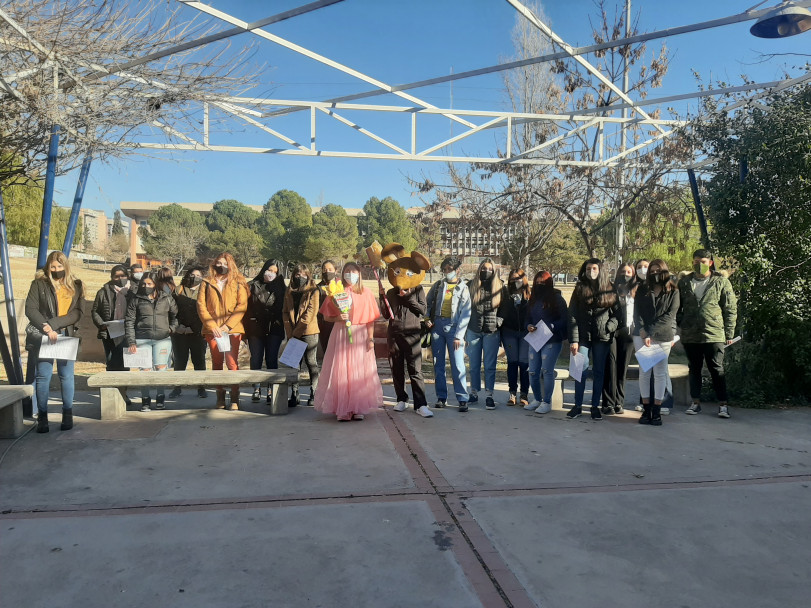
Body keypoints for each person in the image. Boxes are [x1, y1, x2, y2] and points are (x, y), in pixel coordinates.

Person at [314, 261, 383, 421]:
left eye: (353, 271)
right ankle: (342, 408)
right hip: (341, 334)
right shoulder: (337, 292)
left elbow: (370, 320)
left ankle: (357, 407)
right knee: (341, 370)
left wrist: (370, 338)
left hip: (360, 335)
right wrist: (338, 317)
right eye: (347, 271)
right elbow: (325, 316)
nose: (350, 274)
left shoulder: (365, 293)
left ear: (359, 274)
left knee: (358, 371)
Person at [25, 251, 84, 433]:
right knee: (43, 376)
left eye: (59, 266)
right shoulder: (39, 284)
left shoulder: (76, 285)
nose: (56, 269)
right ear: (48, 267)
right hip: (44, 336)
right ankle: (42, 416)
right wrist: (46, 328)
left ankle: (68, 413)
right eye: (53, 266)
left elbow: (77, 313)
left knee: (66, 376)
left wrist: (53, 325)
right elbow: (30, 308)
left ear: (65, 266)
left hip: (66, 334)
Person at [677, 249, 738, 419]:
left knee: (716, 369)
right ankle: (695, 402)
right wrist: (681, 322)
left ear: (710, 263)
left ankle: (723, 404)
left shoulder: (720, 281)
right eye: (696, 261)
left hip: (714, 333)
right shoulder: (685, 282)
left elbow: (730, 308)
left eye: (703, 261)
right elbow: (677, 306)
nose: (700, 265)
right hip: (691, 334)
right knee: (694, 369)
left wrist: (729, 332)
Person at [379, 243, 432, 418]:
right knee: (396, 369)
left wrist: (408, 297)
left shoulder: (418, 289)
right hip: (394, 334)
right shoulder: (391, 292)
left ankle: (421, 404)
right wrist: (382, 298)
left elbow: (422, 310)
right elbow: (387, 314)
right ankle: (401, 399)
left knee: (415, 370)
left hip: (413, 334)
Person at [567, 258, 623, 420]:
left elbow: (618, 315)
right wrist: (574, 340)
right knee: (580, 370)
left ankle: (594, 407)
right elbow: (572, 315)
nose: (591, 271)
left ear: (600, 270)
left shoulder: (610, 288)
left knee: (599, 371)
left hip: (602, 338)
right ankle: (577, 406)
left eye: (594, 269)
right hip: (583, 337)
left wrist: (608, 327)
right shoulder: (579, 288)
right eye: (588, 269)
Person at [197, 252, 249, 410]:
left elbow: (242, 306)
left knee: (232, 363)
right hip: (212, 330)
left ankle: (235, 396)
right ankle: (220, 396)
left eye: (225, 263)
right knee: (217, 362)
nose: (221, 266)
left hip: (232, 330)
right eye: (218, 263)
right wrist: (212, 326)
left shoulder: (239, 281)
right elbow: (201, 305)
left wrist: (227, 326)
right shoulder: (206, 282)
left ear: (231, 264)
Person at [634, 260, 680, 426]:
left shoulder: (673, 291)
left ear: (664, 271)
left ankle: (657, 410)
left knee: (660, 373)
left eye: (657, 271)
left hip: (663, 336)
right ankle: (646, 410)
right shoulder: (643, 289)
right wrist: (642, 331)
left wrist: (651, 332)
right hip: (642, 335)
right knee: (645, 373)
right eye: (651, 271)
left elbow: (669, 315)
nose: (654, 274)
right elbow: (637, 312)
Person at [125, 272, 178, 411]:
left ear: (156, 284)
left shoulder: (167, 298)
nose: (146, 286)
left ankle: (160, 398)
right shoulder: (136, 299)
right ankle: (145, 400)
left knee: (161, 369)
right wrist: (131, 341)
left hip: (163, 339)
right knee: (145, 370)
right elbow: (129, 321)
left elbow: (175, 315)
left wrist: (171, 329)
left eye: (149, 284)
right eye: (143, 284)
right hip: (142, 338)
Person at [425, 257, 471, 412]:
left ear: (457, 270)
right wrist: (426, 318)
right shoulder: (438, 285)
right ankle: (441, 397)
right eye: (444, 269)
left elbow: (466, 312)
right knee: (438, 364)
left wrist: (459, 335)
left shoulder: (463, 288)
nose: (447, 272)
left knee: (458, 364)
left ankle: (462, 398)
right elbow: (427, 302)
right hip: (437, 326)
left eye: (449, 269)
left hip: (454, 328)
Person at [524, 271, 568, 414]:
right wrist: (528, 326)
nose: (539, 285)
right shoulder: (533, 299)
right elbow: (528, 317)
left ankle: (547, 401)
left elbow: (564, 319)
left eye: (543, 282)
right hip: (535, 338)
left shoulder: (557, 299)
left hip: (552, 340)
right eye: (537, 282)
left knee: (547, 371)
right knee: (532, 371)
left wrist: (552, 326)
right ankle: (537, 399)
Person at [245, 259, 287, 404]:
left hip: (274, 328)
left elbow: (284, 309)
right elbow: (246, 308)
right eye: (270, 270)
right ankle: (256, 388)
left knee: (271, 359)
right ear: (264, 269)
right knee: (256, 358)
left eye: (275, 272)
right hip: (255, 328)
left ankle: (271, 390)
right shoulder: (251, 286)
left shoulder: (282, 288)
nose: (271, 274)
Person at [465, 258, 505, 410]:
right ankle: (474, 392)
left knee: (489, 365)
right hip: (473, 330)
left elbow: (505, 309)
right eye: (483, 268)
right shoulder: (471, 285)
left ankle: (490, 395)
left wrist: (498, 322)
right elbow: (465, 307)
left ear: (494, 271)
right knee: (473, 365)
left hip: (491, 332)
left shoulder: (500, 286)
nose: (486, 271)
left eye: (489, 269)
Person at [91, 264, 133, 406]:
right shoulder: (103, 292)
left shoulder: (133, 290)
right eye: (117, 276)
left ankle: (124, 394)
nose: (120, 278)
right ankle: (112, 394)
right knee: (111, 363)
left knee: (125, 364)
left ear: (127, 276)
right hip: (109, 332)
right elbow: (95, 311)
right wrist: (101, 323)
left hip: (127, 332)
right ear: (112, 277)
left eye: (123, 276)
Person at [601, 263, 640, 415]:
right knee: (610, 365)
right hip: (612, 331)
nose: (626, 274)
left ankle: (619, 402)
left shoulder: (637, 290)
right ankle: (608, 403)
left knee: (622, 367)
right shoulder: (611, 289)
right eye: (623, 271)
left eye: (629, 272)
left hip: (628, 332)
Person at [282, 264, 321, 408]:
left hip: (308, 331)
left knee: (311, 362)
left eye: (304, 274)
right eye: (298, 275)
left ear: (309, 275)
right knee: (293, 364)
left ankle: (314, 393)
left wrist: (296, 333)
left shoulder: (314, 290)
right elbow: (285, 312)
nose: (300, 277)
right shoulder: (289, 291)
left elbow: (310, 313)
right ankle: (294, 394)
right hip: (292, 332)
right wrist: (289, 331)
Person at [169, 267, 208, 399]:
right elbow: (172, 310)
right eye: (192, 274)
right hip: (179, 332)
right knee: (180, 361)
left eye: (198, 275)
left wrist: (194, 328)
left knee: (199, 361)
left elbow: (206, 313)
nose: (195, 277)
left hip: (198, 333)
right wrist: (178, 327)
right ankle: (177, 387)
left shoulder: (205, 291)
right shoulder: (178, 289)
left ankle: (201, 387)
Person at [498, 268, 530, 406]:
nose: (515, 281)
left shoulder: (529, 294)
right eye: (513, 278)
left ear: (523, 279)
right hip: (509, 332)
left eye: (518, 278)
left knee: (524, 363)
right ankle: (512, 393)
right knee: (512, 362)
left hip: (525, 332)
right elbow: (501, 311)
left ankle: (524, 394)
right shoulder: (505, 293)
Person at [316, 260, 338, 357]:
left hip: (339, 323)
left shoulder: (341, 285)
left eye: (330, 269)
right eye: (325, 270)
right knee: (327, 352)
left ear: (335, 271)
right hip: (324, 324)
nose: (327, 272)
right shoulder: (318, 288)